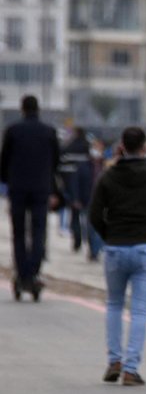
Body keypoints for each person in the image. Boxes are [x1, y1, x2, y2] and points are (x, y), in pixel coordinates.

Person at [89, 127, 146, 386]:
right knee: (139, 311)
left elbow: (94, 215)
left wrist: (109, 235)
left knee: (114, 305)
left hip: (116, 246)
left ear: (121, 147)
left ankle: (114, 360)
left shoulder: (107, 177)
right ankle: (131, 369)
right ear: (145, 147)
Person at [0, 95, 61, 297]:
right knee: (38, 231)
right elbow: (56, 163)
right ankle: (34, 271)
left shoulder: (13, 131)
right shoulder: (49, 132)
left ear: (22, 109)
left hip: (17, 188)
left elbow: (4, 161)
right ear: (39, 109)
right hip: (41, 188)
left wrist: (7, 181)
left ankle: (22, 272)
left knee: (18, 233)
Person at [69, 138, 108, 261]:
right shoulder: (83, 165)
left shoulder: (106, 166)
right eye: (95, 147)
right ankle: (93, 249)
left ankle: (95, 251)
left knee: (99, 227)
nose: (96, 150)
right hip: (87, 200)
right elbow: (75, 182)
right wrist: (75, 198)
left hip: (103, 202)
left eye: (99, 148)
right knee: (89, 227)